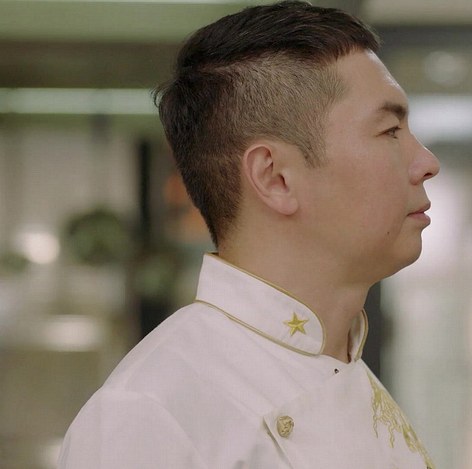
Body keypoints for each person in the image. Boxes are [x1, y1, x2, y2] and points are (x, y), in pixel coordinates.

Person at [58, 1, 440, 467]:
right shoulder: (151, 414)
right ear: (275, 178)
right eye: (390, 130)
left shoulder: (346, 366)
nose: (426, 162)